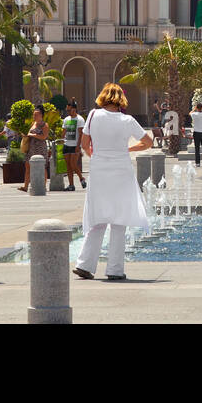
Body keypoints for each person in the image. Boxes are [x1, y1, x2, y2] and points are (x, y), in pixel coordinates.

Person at [74, 83, 153, 281]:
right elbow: (148, 142)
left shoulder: (93, 115)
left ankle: (84, 264)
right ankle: (115, 269)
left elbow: (84, 144)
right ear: (121, 100)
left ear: (103, 97)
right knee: (119, 219)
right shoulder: (127, 120)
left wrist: (97, 156)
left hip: (99, 169)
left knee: (98, 216)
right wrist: (128, 150)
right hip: (121, 170)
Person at [19, 104, 50, 192]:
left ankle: (43, 185)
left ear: (41, 115)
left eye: (36, 114)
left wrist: (33, 135)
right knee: (27, 166)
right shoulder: (33, 124)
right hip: (31, 148)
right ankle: (25, 186)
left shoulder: (44, 125)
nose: (34, 116)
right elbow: (29, 134)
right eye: (33, 114)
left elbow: (44, 137)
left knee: (42, 167)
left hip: (40, 149)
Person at [61, 100, 86, 190]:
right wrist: (60, 141)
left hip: (75, 145)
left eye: (69, 110)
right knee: (68, 166)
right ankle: (71, 185)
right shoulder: (66, 119)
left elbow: (81, 134)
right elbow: (63, 132)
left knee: (73, 164)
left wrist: (78, 146)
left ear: (74, 109)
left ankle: (81, 178)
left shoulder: (80, 119)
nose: (67, 112)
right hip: (66, 144)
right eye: (66, 110)